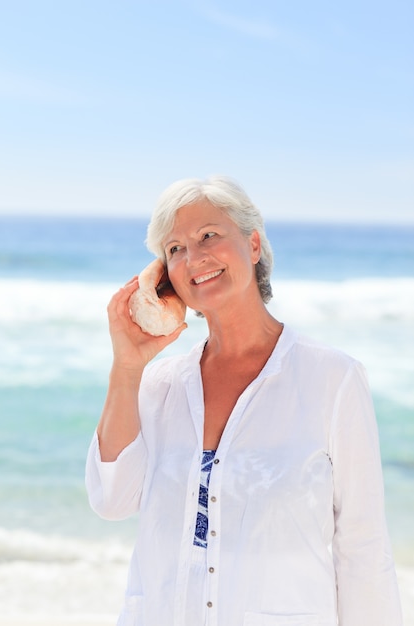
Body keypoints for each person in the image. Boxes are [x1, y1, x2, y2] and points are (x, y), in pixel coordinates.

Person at [85, 176, 403, 626]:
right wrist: (127, 365)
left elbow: (363, 549)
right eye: (174, 249)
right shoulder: (159, 384)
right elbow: (111, 500)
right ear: (164, 277)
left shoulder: (333, 379)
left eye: (208, 236)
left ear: (253, 245)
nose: (194, 258)